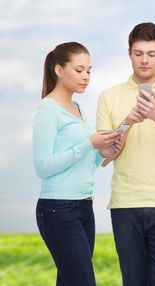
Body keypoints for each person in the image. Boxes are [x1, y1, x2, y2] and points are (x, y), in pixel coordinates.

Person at [96, 22, 155, 286]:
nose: (144, 60)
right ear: (129, 53)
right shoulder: (109, 96)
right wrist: (128, 122)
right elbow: (105, 155)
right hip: (125, 205)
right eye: (138, 53)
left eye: (151, 53)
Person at [33, 42, 120, 286]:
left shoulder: (78, 108)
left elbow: (85, 163)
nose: (85, 77)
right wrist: (88, 144)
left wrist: (105, 151)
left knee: (70, 281)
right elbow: (42, 167)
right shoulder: (48, 109)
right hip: (57, 209)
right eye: (79, 70)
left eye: (89, 71)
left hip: (83, 206)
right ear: (59, 70)